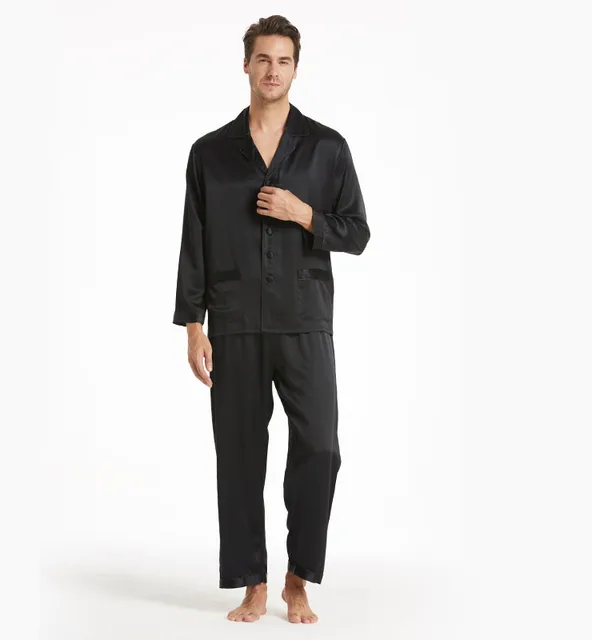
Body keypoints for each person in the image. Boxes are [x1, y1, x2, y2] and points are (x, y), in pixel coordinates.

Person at [172, 15, 370, 624]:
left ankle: (297, 578)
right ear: (246, 65)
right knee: (237, 455)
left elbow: (357, 233)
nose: (272, 70)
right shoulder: (210, 152)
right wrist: (194, 325)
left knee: (320, 448)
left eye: (283, 60)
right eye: (263, 59)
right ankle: (252, 582)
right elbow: (194, 242)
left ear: (295, 69)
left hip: (305, 320)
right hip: (233, 323)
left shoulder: (327, 147)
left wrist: (304, 214)